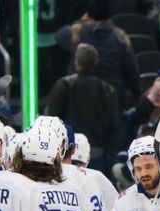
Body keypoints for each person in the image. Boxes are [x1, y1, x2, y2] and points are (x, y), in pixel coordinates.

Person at [47, 44, 120, 173]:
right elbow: (114, 127)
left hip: (67, 155)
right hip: (97, 154)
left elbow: (53, 121)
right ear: (95, 62)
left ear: (76, 61)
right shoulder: (108, 90)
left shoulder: (63, 85)